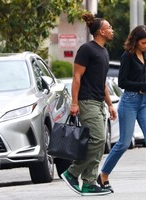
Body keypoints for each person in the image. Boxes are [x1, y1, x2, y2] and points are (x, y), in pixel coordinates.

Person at [97, 25, 146, 193]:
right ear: (136, 41)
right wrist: (144, 85)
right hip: (129, 102)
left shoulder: (145, 55)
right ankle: (103, 175)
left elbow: (142, 79)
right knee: (123, 143)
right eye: (143, 43)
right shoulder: (127, 57)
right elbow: (122, 82)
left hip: (144, 101)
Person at [61, 12, 116, 196]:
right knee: (98, 139)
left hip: (98, 102)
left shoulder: (104, 52)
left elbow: (102, 82)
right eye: (109, 28)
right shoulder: (87, 50)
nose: (112, 30)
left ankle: (89, 182)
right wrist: (74, 103)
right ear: (101, 31)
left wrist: (109, 104)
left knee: (99, 144)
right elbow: (76, 77)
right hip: (86, 101)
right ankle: (72, 173)